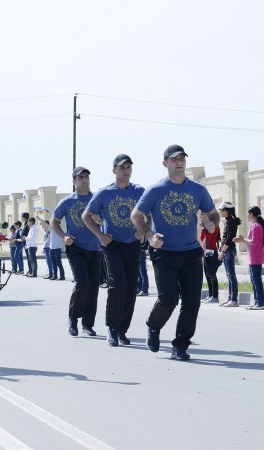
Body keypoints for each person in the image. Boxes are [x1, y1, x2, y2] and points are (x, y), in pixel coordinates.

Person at [131, 145, 219, 360]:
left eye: (182, 158)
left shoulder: (198, 189)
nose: (179, 162)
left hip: (191, 253)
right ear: (165, 163)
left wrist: (212, 225)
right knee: (168, 299)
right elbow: (136, 215)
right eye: (174, 159)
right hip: (165, 253)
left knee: (192, 301)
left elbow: (214, 214)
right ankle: (153, 325)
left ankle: (180, 346)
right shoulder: (156, 189)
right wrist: (150, 236)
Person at [84, 154, 145, 346]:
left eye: (128, 167)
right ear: (114, 170)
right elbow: (87, 216)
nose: (126, 170)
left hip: (133, 244)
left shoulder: (139, 191)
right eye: (122, 167)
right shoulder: (104, 193)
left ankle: (122, 330)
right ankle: (112, 327)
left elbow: (150, 214)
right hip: (112, 245)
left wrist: (143, 231)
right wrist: (100, 235)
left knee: (131, 288)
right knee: (118, 285)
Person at [52, 166, 102, 337]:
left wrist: (100, 221)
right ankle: (73, 318)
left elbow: (104, 221)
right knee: (82, 285)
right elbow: (54, 221)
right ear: (74, 181)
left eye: (87, 177)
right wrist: (63, 236)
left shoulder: (96, 198)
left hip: (95, 248)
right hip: (76, 248)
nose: (84, 180)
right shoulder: (67, 201)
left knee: (93, 288)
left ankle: (87, 324)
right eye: (80, 177)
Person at [234, 205, 264, 310]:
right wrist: (243, 239)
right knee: (254, 279)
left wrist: (242, 239)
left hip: (256, 256)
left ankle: (260, 303)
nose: (247, 215)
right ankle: (257, 301)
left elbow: (253, 242)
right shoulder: (256, 225)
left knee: (256, 280)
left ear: (252, 215)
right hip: (254, 256)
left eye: (248, 213)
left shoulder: (255, 226)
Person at [217, 202, 241, 307]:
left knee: (231, 275)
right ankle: (230, 298)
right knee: (229, 275)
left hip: (229, 251)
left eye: (221, 210)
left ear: (226, 211)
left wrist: (222, 251)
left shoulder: (231, 222)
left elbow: (229, 238)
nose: (220, 212)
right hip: (226, 250)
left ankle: (234, 299)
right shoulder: (227, 221)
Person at [200, 212, 221, 304]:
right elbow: (202, 238)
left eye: (203, 215)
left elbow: (209, 238)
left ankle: (215, 296)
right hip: (206, 252)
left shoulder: (214, 226)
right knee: (207, 274)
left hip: (212, 252)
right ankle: (210, 295)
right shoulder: (206, 227)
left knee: (212, 274)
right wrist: (203, 228)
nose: (202, 217)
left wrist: (205, 229)